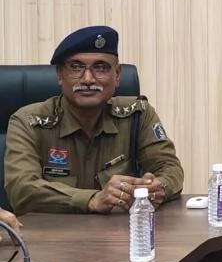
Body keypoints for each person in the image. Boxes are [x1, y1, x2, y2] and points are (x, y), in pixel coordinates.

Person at [4, 26, 184, 214]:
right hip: (53, 231)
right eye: (76, 67)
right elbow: (21, 189)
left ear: (117, 75)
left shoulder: (138, 114)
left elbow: (170, 168)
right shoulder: (29, 121)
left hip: (122, 230)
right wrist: (92, 199)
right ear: (60, 74)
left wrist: (158, 187)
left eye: (100, 68)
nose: (88, 79)